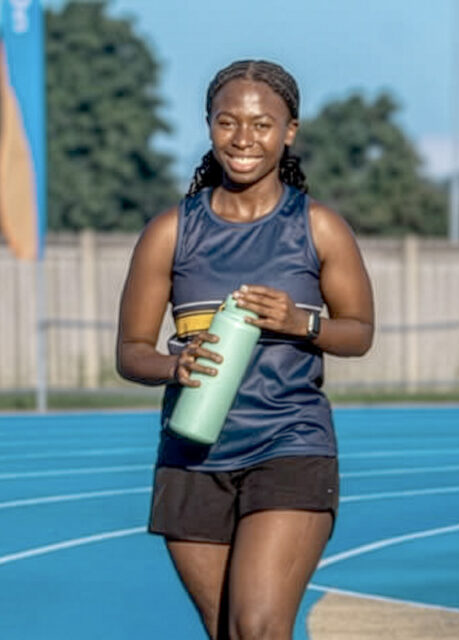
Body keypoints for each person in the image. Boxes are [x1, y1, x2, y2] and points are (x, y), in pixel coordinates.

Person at [115, 59, 374, 640]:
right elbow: (130, 352)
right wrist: (173, 365)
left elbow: (359, 331)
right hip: (192, 453)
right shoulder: (170, 232)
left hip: (289, 443)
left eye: (262, 124)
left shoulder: (318, 228)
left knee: (257, 627)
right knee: (227, 633)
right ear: (209, 125)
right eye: (227, 122)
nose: (243, 139)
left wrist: (301, 321)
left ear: (290, 131)